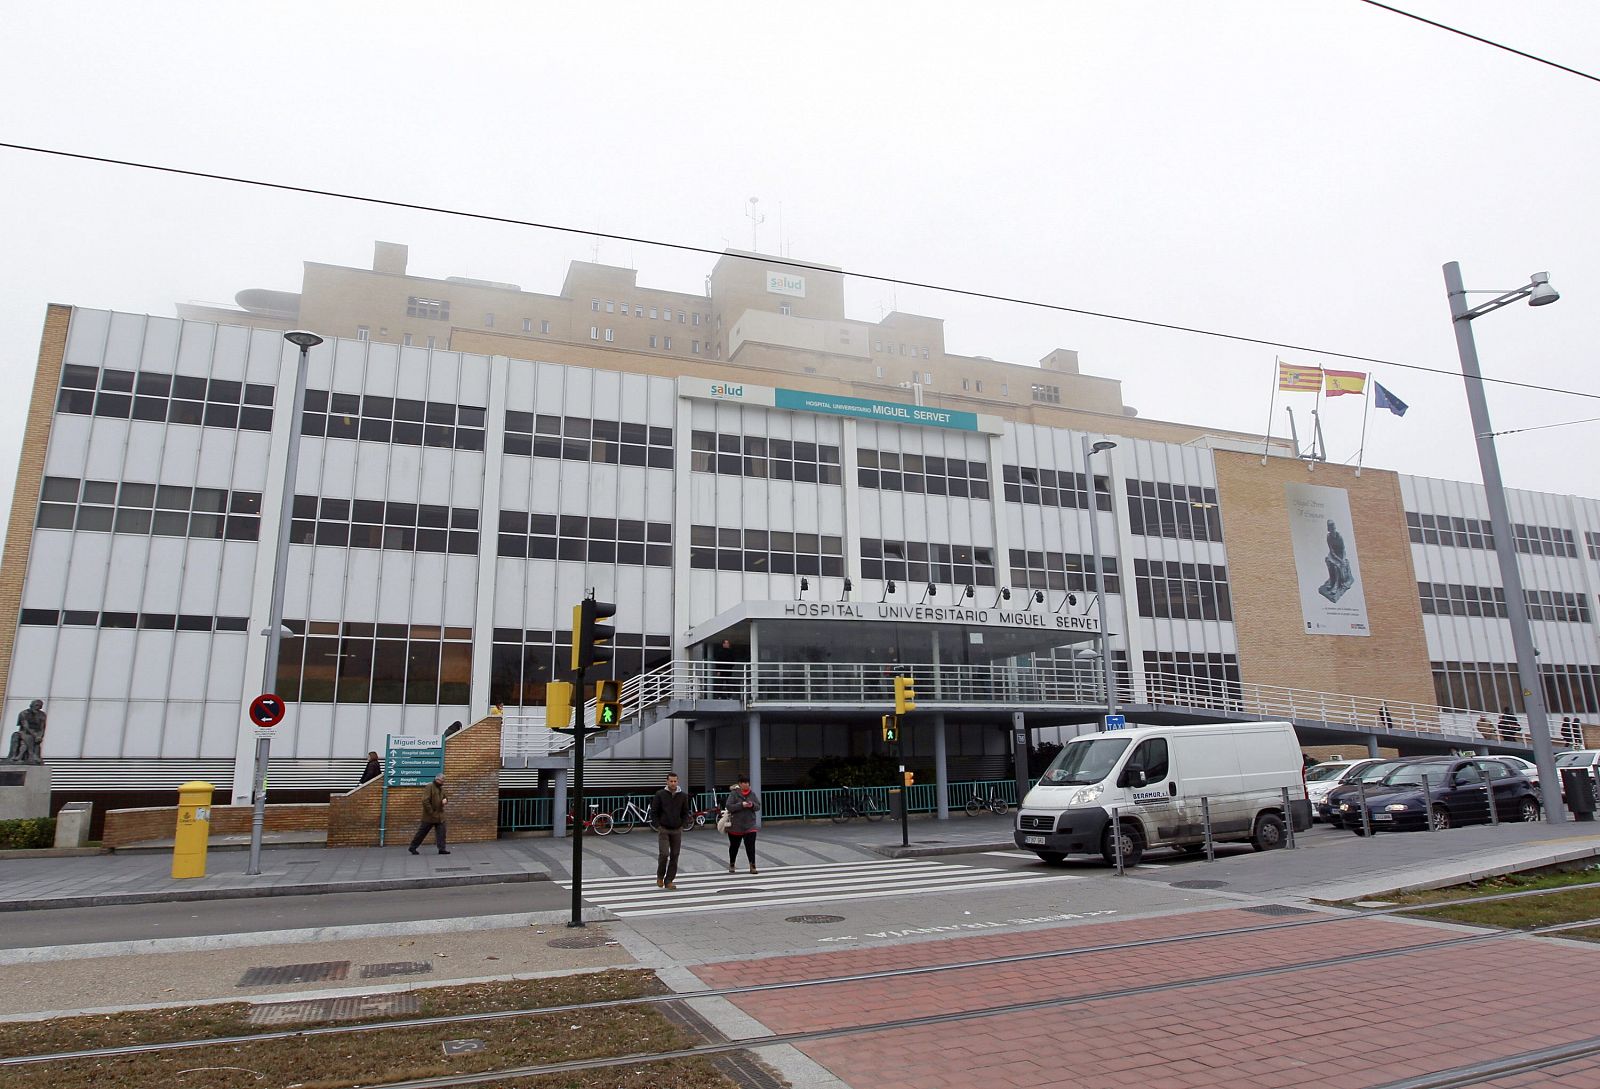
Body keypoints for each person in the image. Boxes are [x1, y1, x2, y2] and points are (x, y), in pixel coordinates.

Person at [648, 772, 692, 890]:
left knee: (675, 855)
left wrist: (683, 824)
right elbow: (654, 811)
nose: (673, 783)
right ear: (667, 782)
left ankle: (669, 880)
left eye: (675, 781)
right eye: (671, 781)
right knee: (664, 854)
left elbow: (685, 812)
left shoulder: (683, 796)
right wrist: (657, 825)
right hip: (664, 828)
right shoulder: (660, 794)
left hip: (677, 829)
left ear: (677, 782)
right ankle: (660, 876)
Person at [724, 773, 760, 874]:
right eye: (744, 783)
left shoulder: (752, 794)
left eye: (748, 783)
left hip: (750, 824)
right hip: (736, 825)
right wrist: (741, 805)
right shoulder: (734, 794)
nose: (746, 784)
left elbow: (758, 806)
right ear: (740, 784)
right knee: (734, 846)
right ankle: (732, 863)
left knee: (750, 846)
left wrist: (752, 804)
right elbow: (729, 806)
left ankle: (752, 866)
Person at [409, 774, 450, 854]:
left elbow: (445, 797)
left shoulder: (441, 789)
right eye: (442, 781)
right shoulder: (429, 787)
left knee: (442, 833)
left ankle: (442, 849)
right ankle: (413, 847)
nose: (443, 783)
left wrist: (445, 800)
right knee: (422, 832)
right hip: (429, 816)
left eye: (443, 781)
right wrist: (431, 812)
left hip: (440, 816)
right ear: (437, 780)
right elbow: (425, 801)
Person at [4, 700, 46, 765]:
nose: (38, 707)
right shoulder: (24, 713)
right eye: (36, 705)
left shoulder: (42, 715)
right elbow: (25, 726)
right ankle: (14, 755)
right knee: (17, 736)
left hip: (37, 733)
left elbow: (42, 727)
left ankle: (21, 756)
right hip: (25, 731)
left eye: (40, 706)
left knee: (28, 739)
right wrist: (34, 735)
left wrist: (40, 736)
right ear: (32, 705)